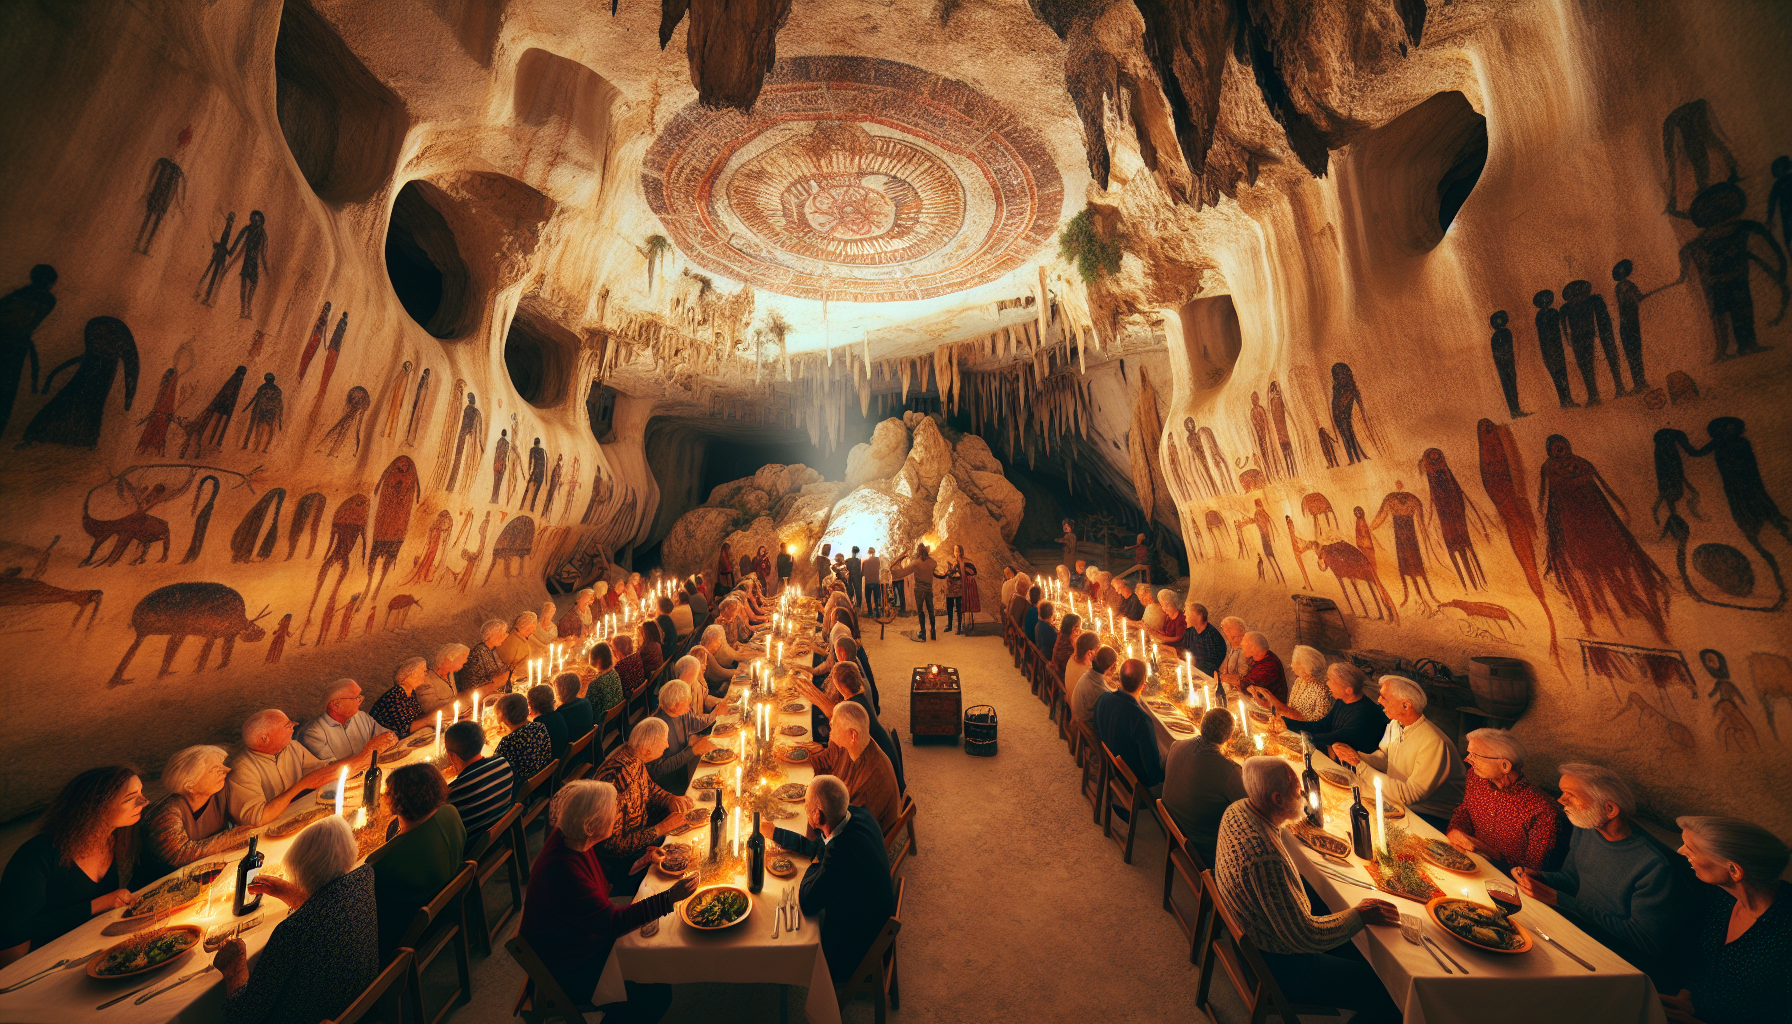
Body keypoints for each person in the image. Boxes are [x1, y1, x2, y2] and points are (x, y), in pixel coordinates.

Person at [1214, 758, 1401, 1024]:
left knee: (1332, 901)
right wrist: (1359, 915)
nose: (1302, 793)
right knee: (1388, 991)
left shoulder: (1238, 809)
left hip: (1251, 932)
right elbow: (1304, 936)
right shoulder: (1265, 858)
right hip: (1278, 963)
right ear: (1278, 799)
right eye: (1297, 790)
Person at [1514, 762, 1697, 988]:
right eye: (1562, 792)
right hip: (1575, 934)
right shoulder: (1586, 828)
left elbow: (1644, 939)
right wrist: (1541, 877)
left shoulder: (1654, 865)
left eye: (1570, 795)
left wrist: (1560, 900)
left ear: (1610, 809)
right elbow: (1574, 878)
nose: (1561, 800)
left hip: (1612, 963)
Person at [524, 781, 695, 1021]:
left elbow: (599, 884)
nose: (616, 815)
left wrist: (642, 861)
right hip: (571, 962)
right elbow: (612, 923)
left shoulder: (574, 838)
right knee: (656, 991)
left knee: (654, 941)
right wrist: (669, 898)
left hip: (577, 933)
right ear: (591, 824)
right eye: (612, 811)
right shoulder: (564, 871)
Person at [213, 817, 377, 1024]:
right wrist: (293, 894)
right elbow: (328, 906)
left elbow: (244, 1015)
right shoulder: (364, 880)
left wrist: (234, 967)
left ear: (300, 874)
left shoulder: (291, 932)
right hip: (360, 1003)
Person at [0, 766, 146, 965]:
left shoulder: (114, 839)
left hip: (92, 950)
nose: (144, 801)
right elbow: (13, 931)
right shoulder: (38, 854)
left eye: (141, 792)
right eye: (131, 797)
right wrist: (98, 904)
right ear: (96, 806)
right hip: (37, 964)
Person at [759, 775, 895, 984]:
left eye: (807, 806)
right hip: (873, 910)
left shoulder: (840, 856)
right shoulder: (858, 814)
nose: (804, 809)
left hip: (859, 946)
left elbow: (807, 901)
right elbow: (819, 848)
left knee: (795, 935)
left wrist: (814, 864)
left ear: (818, 816)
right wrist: (776, 833)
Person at [1662, 816, 1790, 1024]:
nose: (1680, 852)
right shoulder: (1720, 897)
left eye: (1691, 849)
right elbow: (1702, 961)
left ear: (1734, 870)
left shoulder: (1785, 933)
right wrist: (1686, 995)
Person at [1327, 676, 1465, 826]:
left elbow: (1411, 794)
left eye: (1384, 697)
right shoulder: (1395, 725)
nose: (1379, 700)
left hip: (1429, 816)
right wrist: (1354, 756)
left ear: (1405, 706)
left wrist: (1360, 766)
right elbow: (1385, 758)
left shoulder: (1434, 743)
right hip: (1399, 801)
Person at [366, 764, 464, 959]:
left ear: (396, 803)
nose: (384, 796)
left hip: (412, 935)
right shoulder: (450, 813)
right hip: (448, 909)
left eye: (387, 793)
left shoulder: (381, 862)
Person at [592, 719, 691, 894]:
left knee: (686, 830)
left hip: (642, 835)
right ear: (647, 749)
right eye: (664, 741)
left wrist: (669, 798)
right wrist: (661, 828)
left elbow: (649, 787)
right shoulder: (618, 781)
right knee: (681, 872)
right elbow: (614, 845)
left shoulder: (633, 758)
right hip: (622, 864)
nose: (667, 745)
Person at [227, 709, 374, 826]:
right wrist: (300, 786)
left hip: (296, 818)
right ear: (265, 739)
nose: (293, 729)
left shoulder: (292, 747)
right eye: (288, 726)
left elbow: (321, 770)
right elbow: (256, 818)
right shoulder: (242, 768)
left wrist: (363, 757)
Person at [1445, 729, 1562, 872]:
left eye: (1475, 756)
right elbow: (1465, 811)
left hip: (1506, 880)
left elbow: (1534, 870)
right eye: (1469, 754)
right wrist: (1456, 830)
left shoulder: (1542, 810)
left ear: (1505, 766)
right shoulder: (1476, 779)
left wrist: (1488, 851)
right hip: (1469, 863)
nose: (1467, 760)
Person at [141, 746, 255, 881]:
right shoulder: (168, 812)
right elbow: (179, 855)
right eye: (214, 770)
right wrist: (230, 839)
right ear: (190, 785)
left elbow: (249, 815)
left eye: (222, 766)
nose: (226, 771)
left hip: (213, 874)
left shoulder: (220, 794)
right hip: (171, 883)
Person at [1162, 708, 1246, 867]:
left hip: (1171, 820)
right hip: (1200, 845)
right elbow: (1249, 809)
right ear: (1229, 738)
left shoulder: (1177, 744)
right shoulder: (1229, 772)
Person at [805, 700, 901, 833]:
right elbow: (828, 759)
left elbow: (848, 824)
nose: (830, 731)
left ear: (852, 735)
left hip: (863, 839)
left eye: (834, 727)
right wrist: (801, 755)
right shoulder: (853, 746)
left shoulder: (875, 776)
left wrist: (814, 808)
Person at [1276, 663, 1388, 754]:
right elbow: (1321, 726)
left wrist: (1294, 736)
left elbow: (1332, 737)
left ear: (1348, 690)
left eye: (1332, 681)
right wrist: (1286, 723)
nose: (1328, 683)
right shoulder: (1342, 702)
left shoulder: (1364, 714)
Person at [1094, 659, 1164, 793]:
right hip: (1133, 784)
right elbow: (1153, 773)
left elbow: (1096, 730)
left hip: (1111, 768)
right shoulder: (1141, 720)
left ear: (1119, 679)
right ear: (1143, 685)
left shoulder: (1103, 699)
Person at [443, 720, 514, 850]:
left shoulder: (452, 793)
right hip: (502, 835)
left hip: (474, 853)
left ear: (452, 755)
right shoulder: (502, 764)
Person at [298, 678, 395, 761]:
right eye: (356, 698)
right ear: (336, 705)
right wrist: (370, 751)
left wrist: (387, 739)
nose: (361, 701)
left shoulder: (362, 717)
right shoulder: (313, 734)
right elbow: (332, 770)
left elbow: (389, 736)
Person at [646, 680, 716, 793]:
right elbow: (658, 770)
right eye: (687, 703)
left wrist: (715, 714)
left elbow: (694, 723)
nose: (689, 707)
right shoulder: (658, 729)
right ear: (675, 705)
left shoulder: (681, 713)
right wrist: (693, 750)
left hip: (684, 770)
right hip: (670, 786)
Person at [494, 692, 554, 783]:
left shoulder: (507, 743)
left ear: (506, 720)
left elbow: (495, 771)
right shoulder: (540, 727)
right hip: (543, 781)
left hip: (521, 790)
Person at [371, 657, 436, 735]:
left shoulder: (410, 693)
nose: (426, 674)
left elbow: (418, 716)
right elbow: (405, 728)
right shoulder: (395, 696)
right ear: (410, 674)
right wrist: (428, 720)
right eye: (423, 671)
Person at [890, 544, 939, 641]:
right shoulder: (933, 562)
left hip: (919, 591)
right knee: (931, 611)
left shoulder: (916, 563)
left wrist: (892, 569)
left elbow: (903, 573)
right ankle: (933, 633)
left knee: (921, 612)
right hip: (929, 590)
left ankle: (923, 633)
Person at [1233, 632, 1288, 706]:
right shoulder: (1257, 659)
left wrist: (1231, 679)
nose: (1242, 650)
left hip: (1273, 711)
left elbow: (1247, 686)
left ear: (1253, 648)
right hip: (1261, 706)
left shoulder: (1270, 664)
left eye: (1243, 647)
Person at [1073, 645, 1119, 725]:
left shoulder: (1090, 674)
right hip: (1089, 723)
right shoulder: (1101, 691)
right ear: (1112, 666)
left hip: (1080, 715)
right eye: (1115, 662)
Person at [1178, 602, 1227, 676]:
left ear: (1199, 616)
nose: (1184, 615)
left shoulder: (1212, 636)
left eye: (1188, 613)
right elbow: (1182, 649)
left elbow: (1211, 665)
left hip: (1205, 677)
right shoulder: (1191, 631)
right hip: (1191, 671)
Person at [465, 620, 512, 692]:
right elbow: (490, 679)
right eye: (501, 634)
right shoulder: (479, 651)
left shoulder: (493, 649)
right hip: (480, 693)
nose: (503, 637)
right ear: (490, 636)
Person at [419, 643, 467, 712]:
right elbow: (428, 707)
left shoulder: (450, 674)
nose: (462, 666)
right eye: (461, 662)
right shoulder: (426, 678)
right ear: (449, 660)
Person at [529, 684, 569, 764]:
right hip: (562, 761)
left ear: (530, 705)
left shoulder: (537, 727)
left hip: (551, 767)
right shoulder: (558, 715)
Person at [554, 670, 594, 747]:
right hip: (586, 747)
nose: (555, 692)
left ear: (564, 690)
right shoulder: (586, 703)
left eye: (556, 688)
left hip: (572, 755)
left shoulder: (560, 715)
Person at [588, 642, 627, 719]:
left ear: (598, 660)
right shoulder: (614, 673)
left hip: (603, 725)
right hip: (617, 718)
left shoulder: (595, 685)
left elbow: (587, 709)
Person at [496, 611, 539, 681]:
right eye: (534, 623)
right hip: (512, 680)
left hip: (523, 678)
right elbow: (506, 664)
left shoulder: (523, 638)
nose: (535, 627)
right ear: (526, 625)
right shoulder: (512, 641)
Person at [1215, 615, 1249, 689]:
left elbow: (1242, 678)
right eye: (1225, 630)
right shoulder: (1228, 647)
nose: (1225, 633)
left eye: (1228, 630)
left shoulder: (1245, 651)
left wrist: (1225, 677)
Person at [1050, 612, 1081, 681]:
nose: (1079, 629)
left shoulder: (1062, 635)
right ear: (1072, 628)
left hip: (1060, 671)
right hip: (1063, 677)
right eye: (1078, 626)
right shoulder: (1065, 645)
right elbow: (1069, 667)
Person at [862, 546, 884, 615]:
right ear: (874, 553)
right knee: (876, 599)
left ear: (868, 553)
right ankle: (877, 612)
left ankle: (870, 612)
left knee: (868, 598)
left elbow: (863, 574)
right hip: (875, 582)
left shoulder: (865, 562)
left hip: (868, 582)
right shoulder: (877, 560)